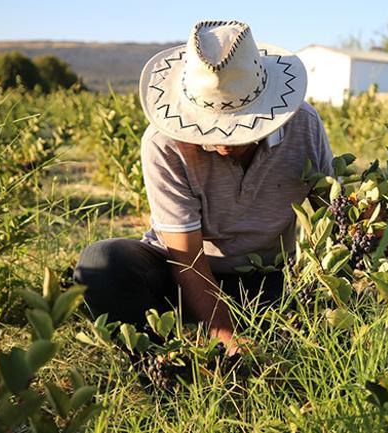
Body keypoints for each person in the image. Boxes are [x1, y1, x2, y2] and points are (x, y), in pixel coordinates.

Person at [74, 20, 333, 354]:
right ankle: (164, 368)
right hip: (182, 273)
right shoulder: (163, 142)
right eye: (210, 129)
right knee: (101, 263)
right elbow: (186, 259)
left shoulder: (304, 126)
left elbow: (333, 213)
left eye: (240, 128)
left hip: (266, 277)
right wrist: (225, 335)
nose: (224, 142)